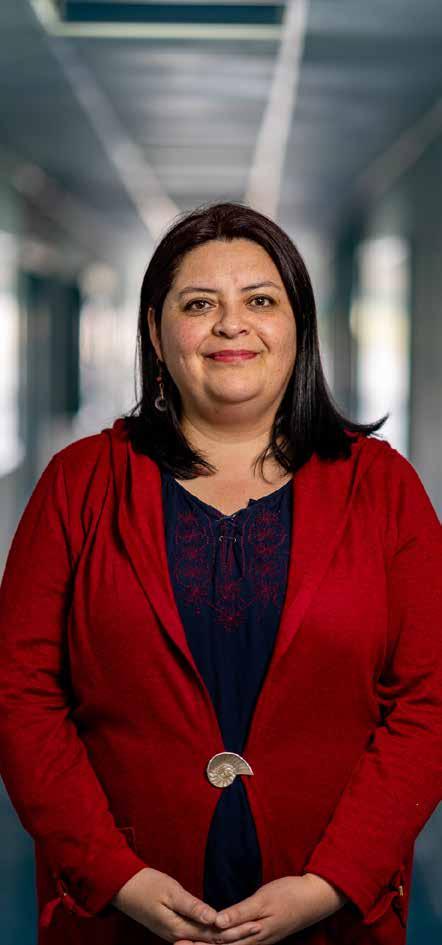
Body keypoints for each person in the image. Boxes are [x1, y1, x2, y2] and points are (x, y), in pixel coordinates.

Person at [0, 201, 441, 945]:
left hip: (332, 911)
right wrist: (112, 873)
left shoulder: (384, 488)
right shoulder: (78, 484)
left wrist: (334, 880)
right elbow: (21, 695)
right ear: (155, 331)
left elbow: (430, 700)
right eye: (199, 304)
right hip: (120, 911)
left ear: (298, 325)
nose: (231, 325)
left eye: (260, 301)